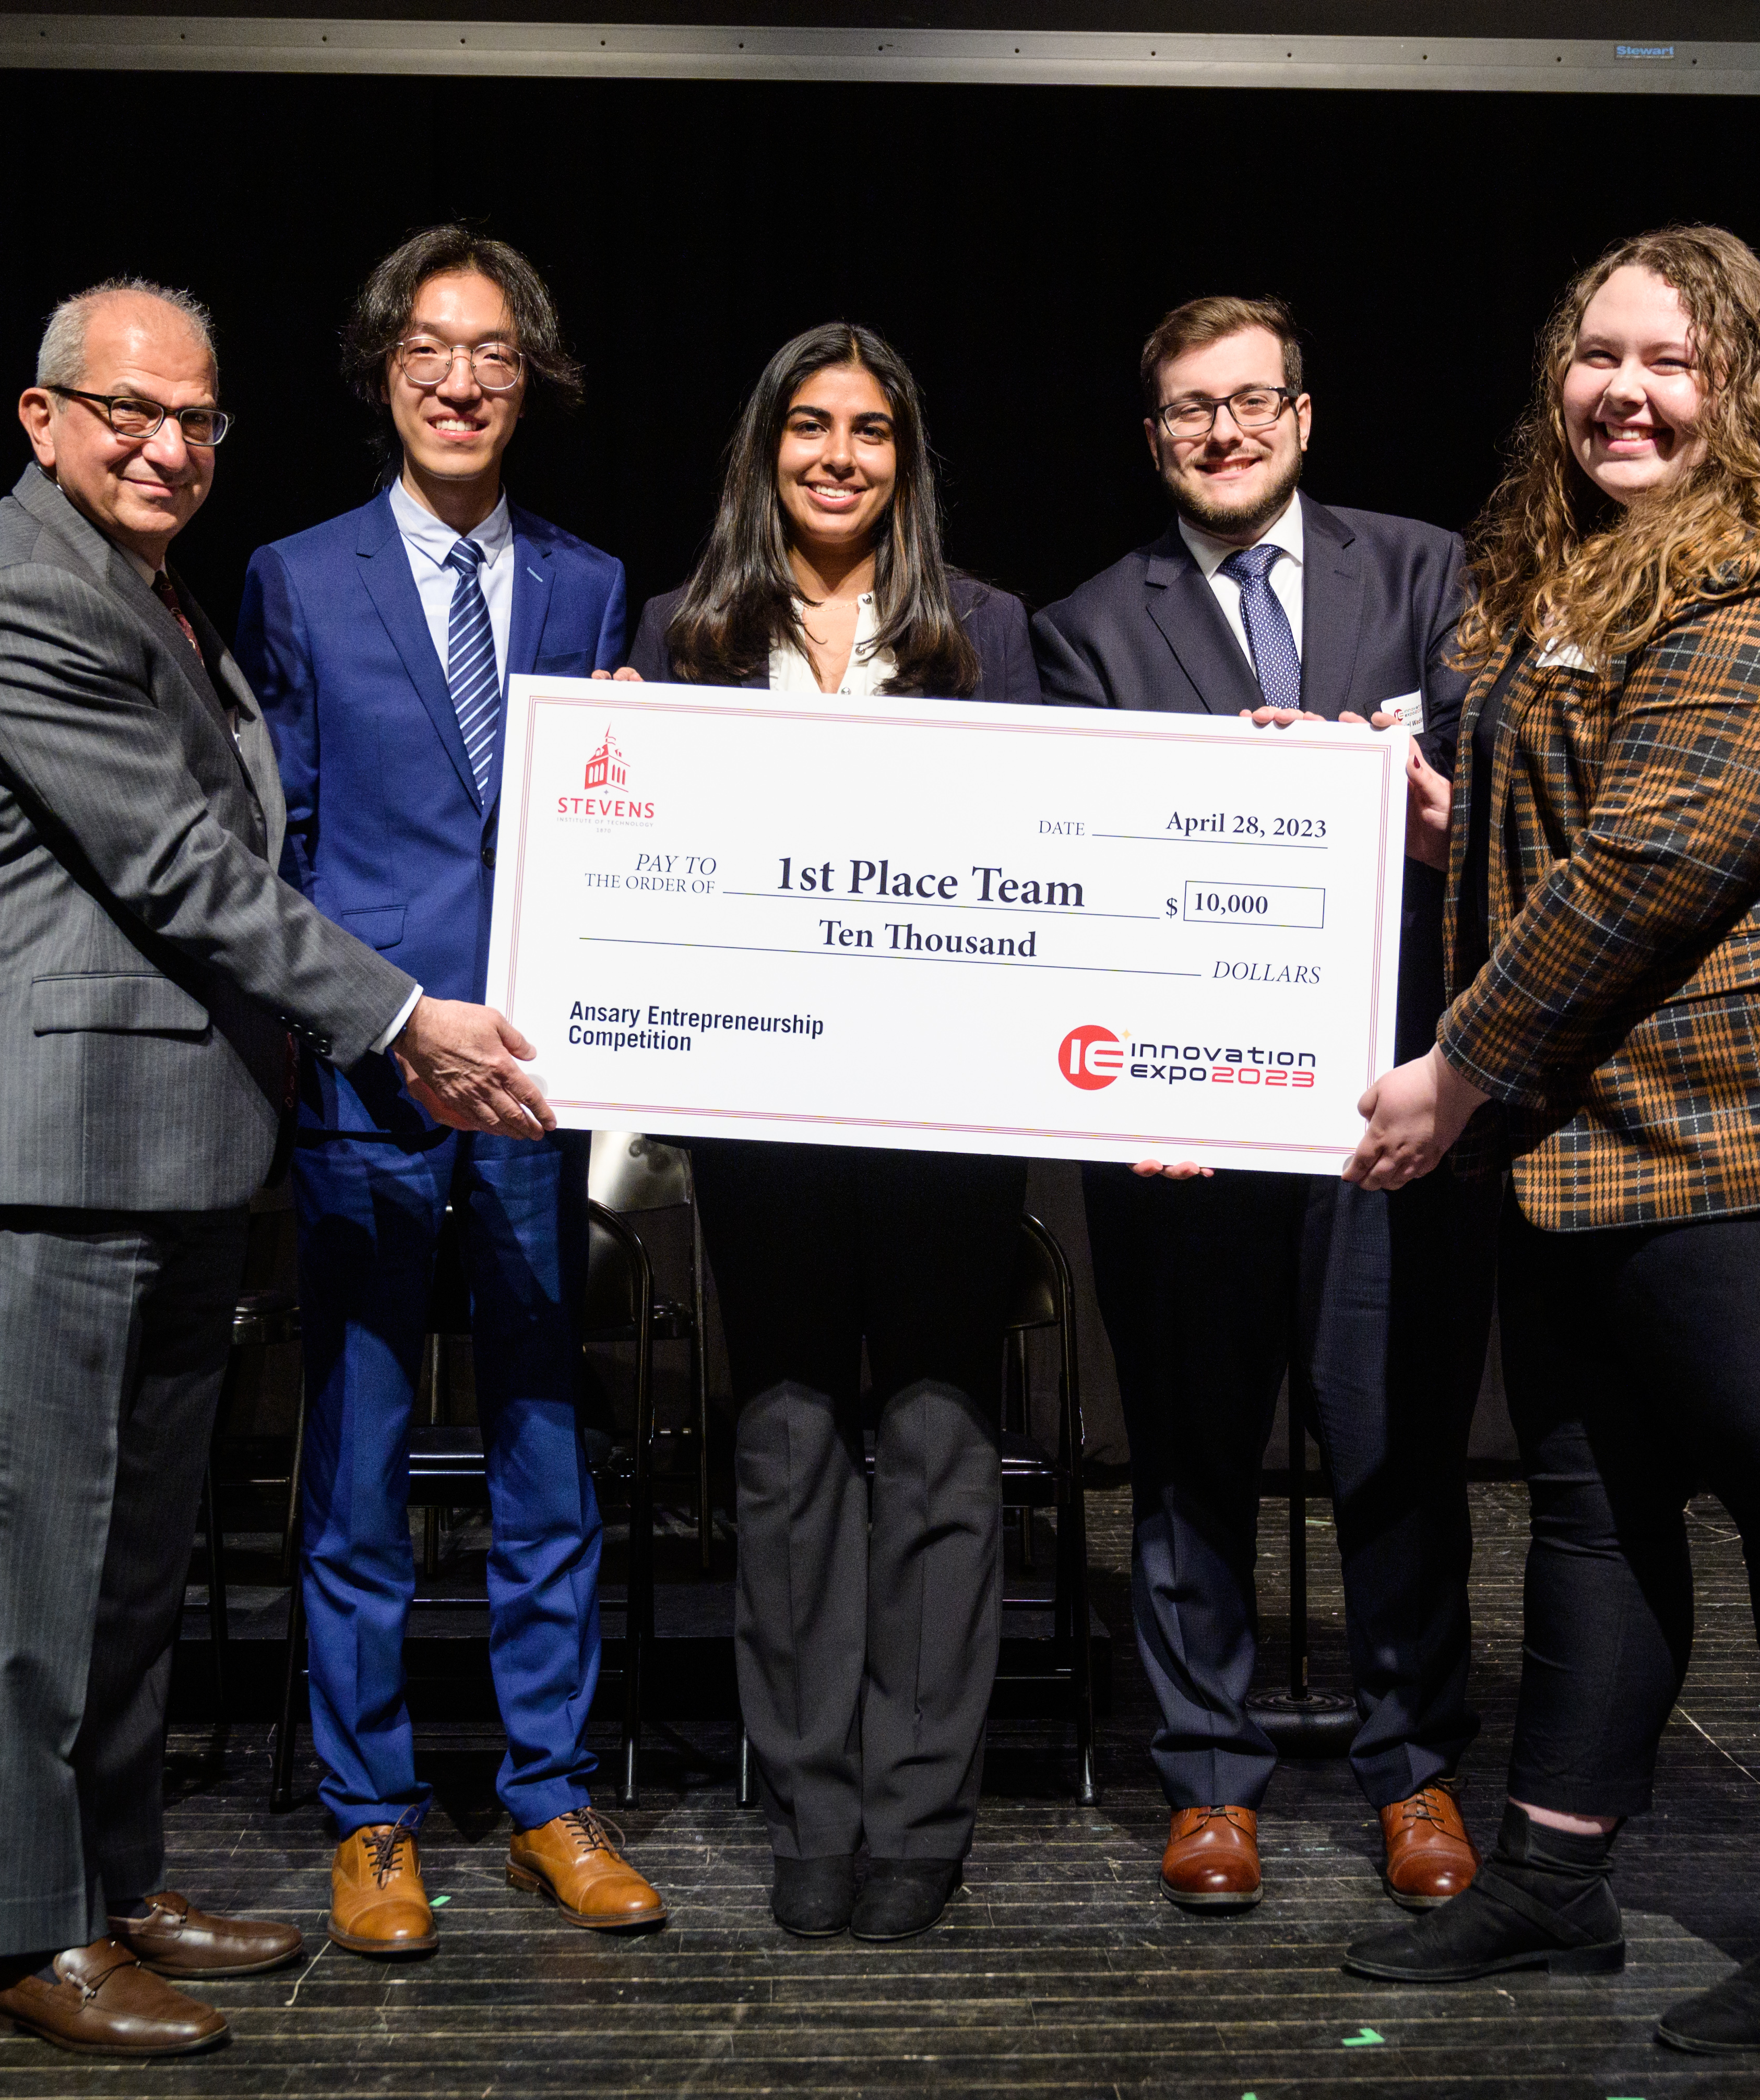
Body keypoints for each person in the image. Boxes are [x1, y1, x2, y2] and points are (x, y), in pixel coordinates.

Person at [1334, 225, 1760, 2056]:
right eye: (1596, 354)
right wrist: (1416, 824)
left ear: (1741, 388)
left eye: (1670, 362)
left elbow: (1650, 867)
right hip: (1603, 1128)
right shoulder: (1566, 564)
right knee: (1591, 1505)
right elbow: (1565, 824)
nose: (1622, 392)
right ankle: (1551, 1876)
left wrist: (1451, 1068)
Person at [0, 278, 551, 2058]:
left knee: (126, 1570)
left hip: (171, 1147)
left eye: (197, 419)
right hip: (54, 1156)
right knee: (43, 1571)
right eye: (128, 411)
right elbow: (183, 868)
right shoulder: (25, 596)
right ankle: (20, 1934)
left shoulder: (145, 591)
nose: (167, 447)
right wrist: (402, 1015)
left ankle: (110, 1887)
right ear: (40, 417)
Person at [1031, 295, 1497, 1916]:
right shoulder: (1087, 622)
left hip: (1396, 1104)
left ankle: (1415, 1772)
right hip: (1188, 1130)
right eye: (1187, 412)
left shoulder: (1431, 573)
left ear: (1304, 415)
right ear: (1154, 436)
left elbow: (1500, 794)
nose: (1221, 433)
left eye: (1249, 402)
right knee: (1190, 1454)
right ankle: (1209, 1776)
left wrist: (1390, 791)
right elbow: (1083, 874)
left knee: (1396, 1451)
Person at [235, 224, 657, 1956]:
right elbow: (286, 849)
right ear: (382, 372)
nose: (459, 376)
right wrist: (380, 1027)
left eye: (491, 349)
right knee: (358, 1469)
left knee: (547, 1454)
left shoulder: (586, 580)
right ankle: (372, 1814)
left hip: (538, 1092)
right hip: (373, 1086)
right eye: (427, 347)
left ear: (530, 376)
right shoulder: (292, 573)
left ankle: (547, 1794)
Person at [611, 322, 1048, 1942]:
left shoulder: (987, 630)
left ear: (905, 458)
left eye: (870, 431)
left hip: (944, 1126)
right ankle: (813, 1801)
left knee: (936, 1447)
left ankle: (922, 1809)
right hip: (764, 1125)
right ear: (768, 449)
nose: (840, 457)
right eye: (811, 427)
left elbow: (1068, 855)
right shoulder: (684, 635)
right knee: (788, 1452)